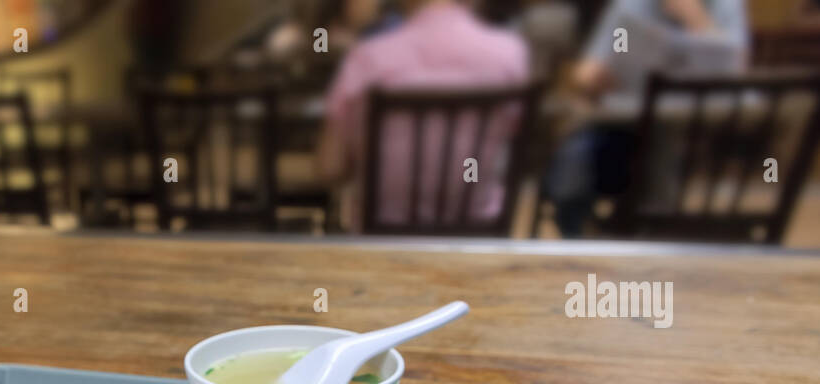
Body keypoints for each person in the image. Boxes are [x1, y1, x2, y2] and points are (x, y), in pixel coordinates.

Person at [317, 0, 530, 231]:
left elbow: (330, 167)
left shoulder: (368, 59)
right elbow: (515, 138)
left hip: (382, 241)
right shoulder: (511, 54)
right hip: (478, 235)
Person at [543, 0, 749, 237]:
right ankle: (585, 240)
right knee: (575, 160)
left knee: (663, 146)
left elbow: (736, 71)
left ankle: (646, 234)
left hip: (694, 130)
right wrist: (593, 77)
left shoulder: (726, 5)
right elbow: (586, 71)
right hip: (622, 125)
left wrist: (696, 21)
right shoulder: (630, 6)